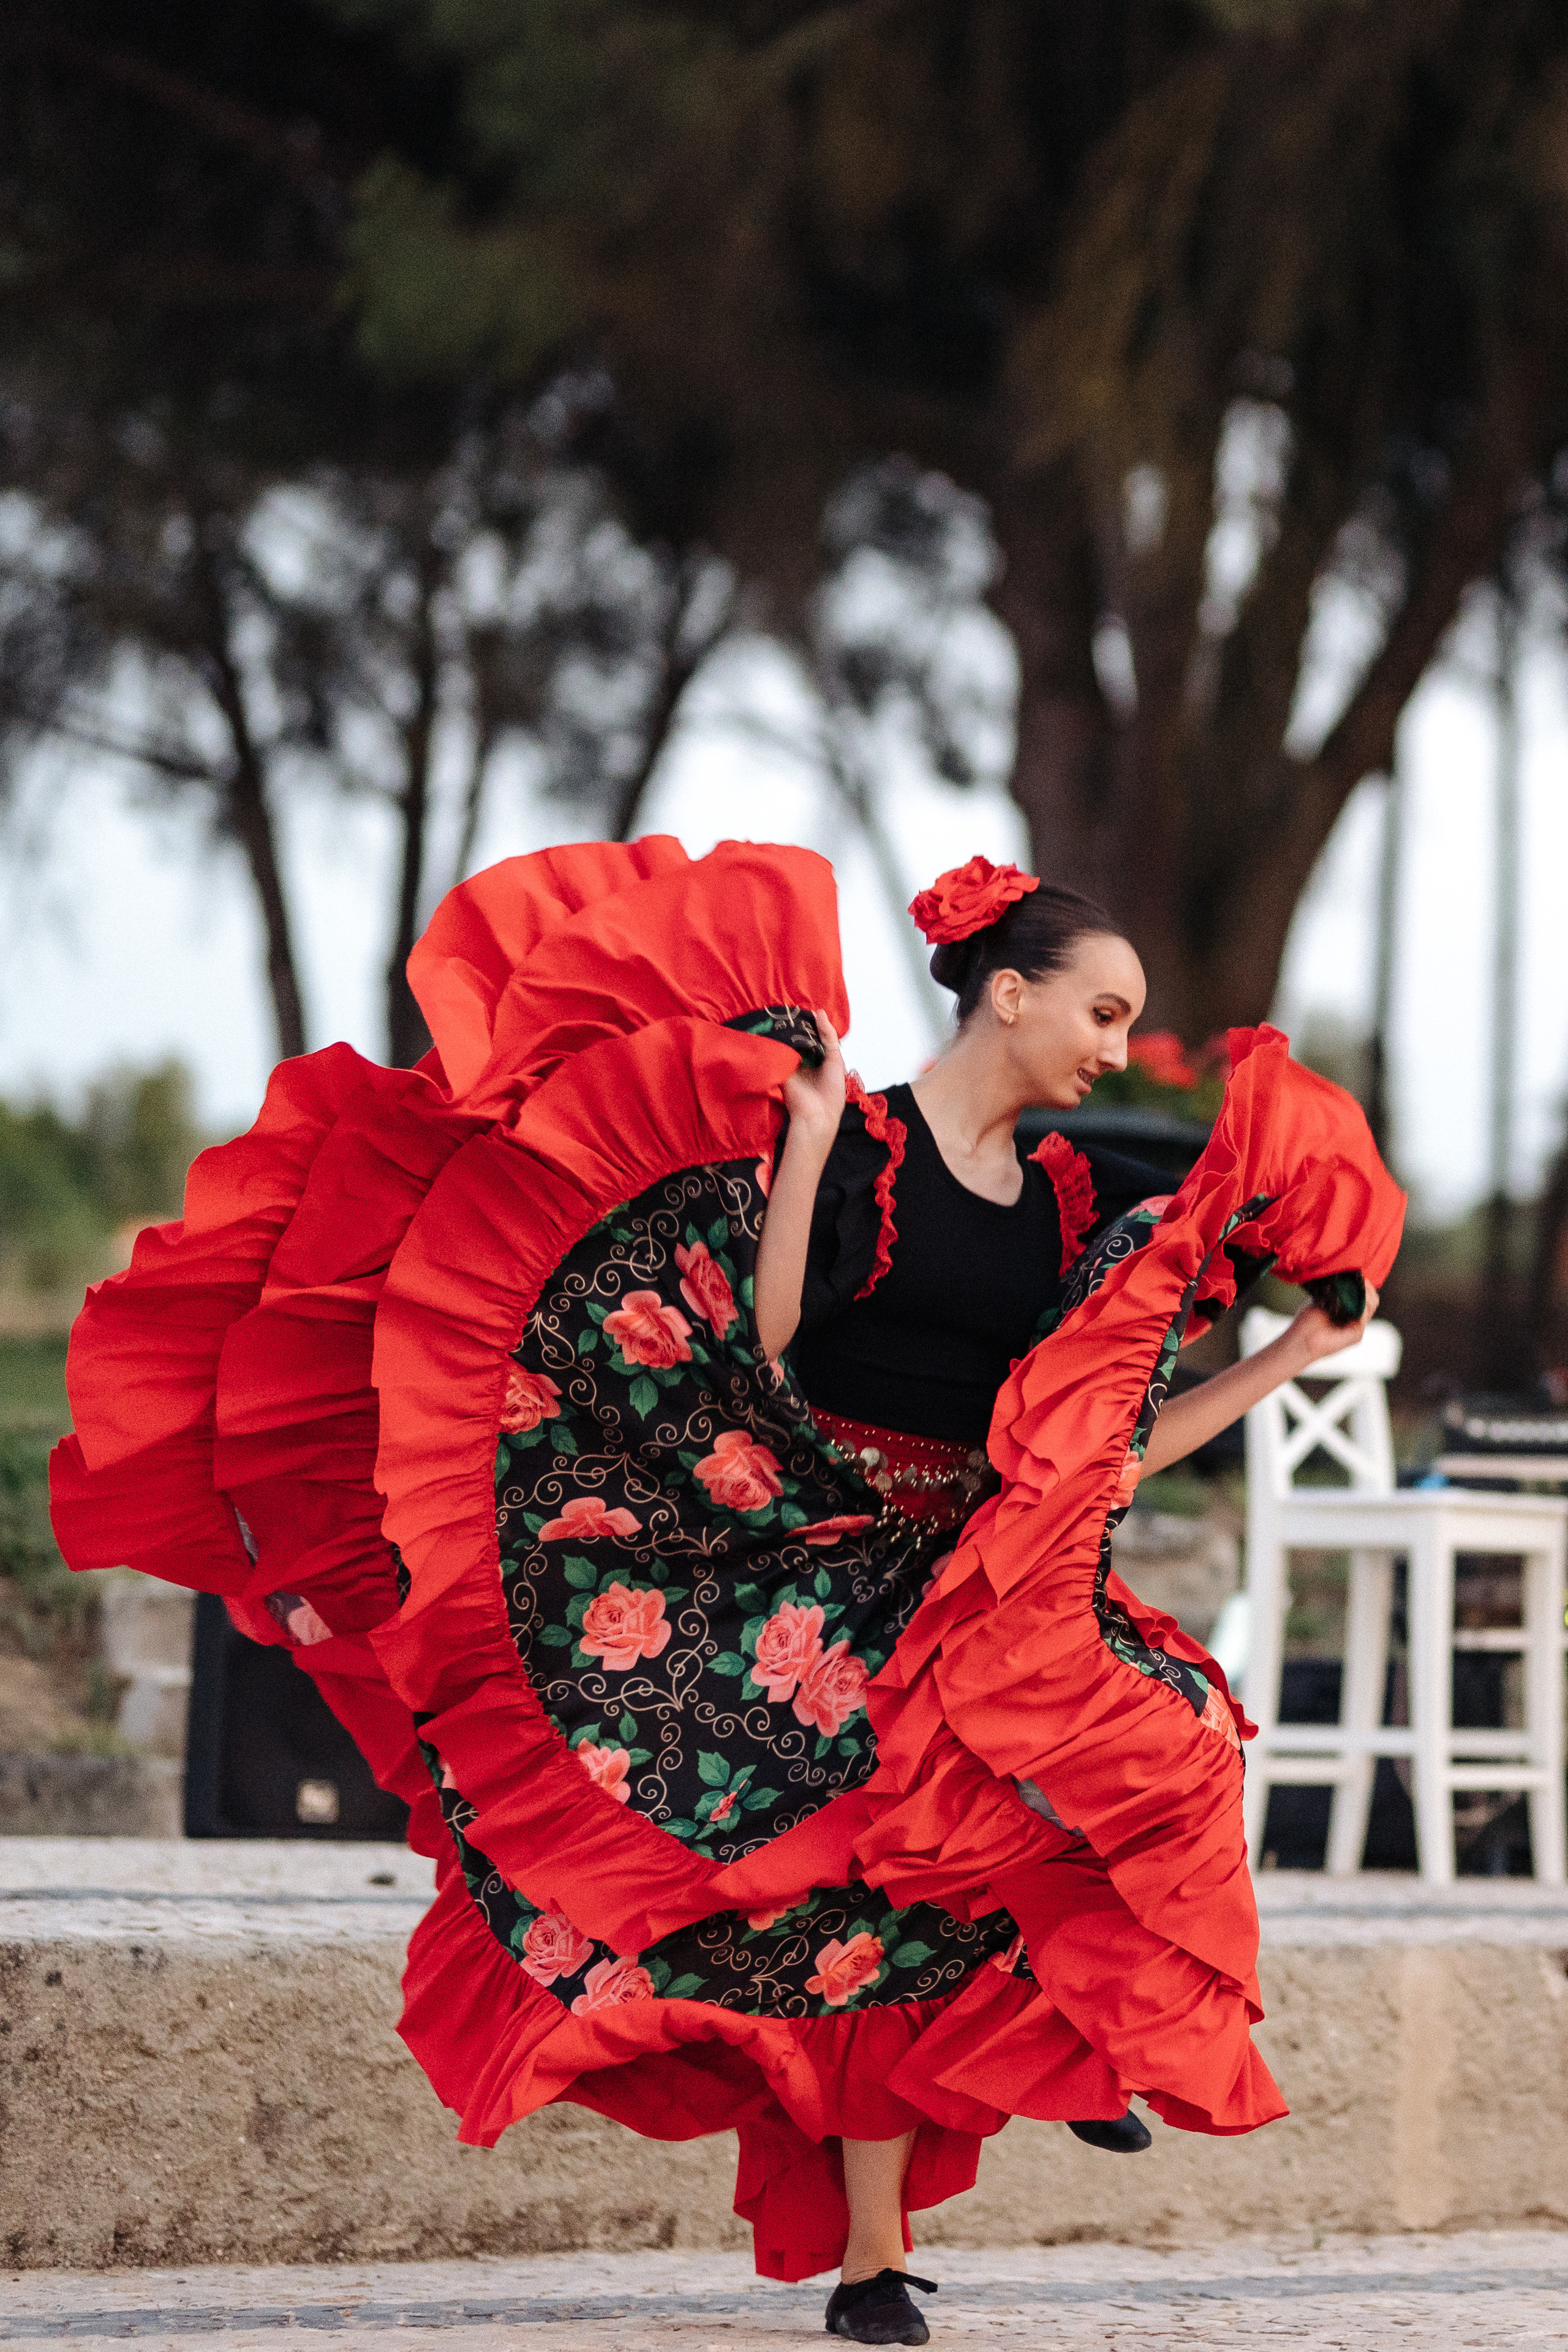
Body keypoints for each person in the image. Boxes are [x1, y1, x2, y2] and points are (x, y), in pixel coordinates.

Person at [50, 841, 1404, 2348]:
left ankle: (1076, 2041)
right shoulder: (865, 1148)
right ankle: (873, 2262)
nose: (1107, 1046)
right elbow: (764, 1334)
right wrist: (812, 1136)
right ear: (1005, 995)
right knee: (852, 1909)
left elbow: (1115, 1447)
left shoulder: (1077, 1202)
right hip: (800, 1559)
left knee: (1180, 1739)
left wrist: (1285, 1358)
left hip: (974, 1583)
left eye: (1121, 1021)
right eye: (1098, 1011)